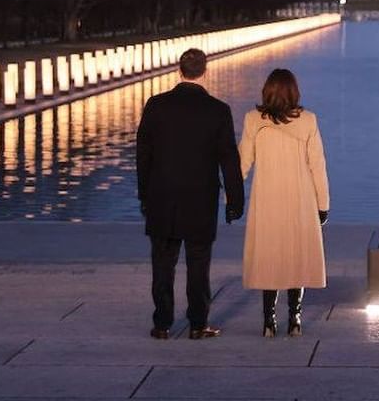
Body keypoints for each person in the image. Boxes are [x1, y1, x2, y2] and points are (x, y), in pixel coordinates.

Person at [135, 48, 244, 340]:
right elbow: (228, 159)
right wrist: (235, 201)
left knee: (162, 263)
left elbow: (143, 154)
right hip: (199, 198)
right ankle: (198, 324)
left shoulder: (156, 105)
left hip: (162, 196)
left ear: (179, 70)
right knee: (198, 264)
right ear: (205, 71)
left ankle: (162, 324)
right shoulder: (218, 110)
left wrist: (143, 193)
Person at [239, 68, 330, 338]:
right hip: (300, 199)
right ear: (294, 91)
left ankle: (269, 321)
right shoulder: (308, 120)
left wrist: (230, 196)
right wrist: (322, 204)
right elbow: (318, 167)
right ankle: (295, 318)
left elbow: (242, 161)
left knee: (270, 257)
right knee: (295, 256)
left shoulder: (254, 120)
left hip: (266, 199)